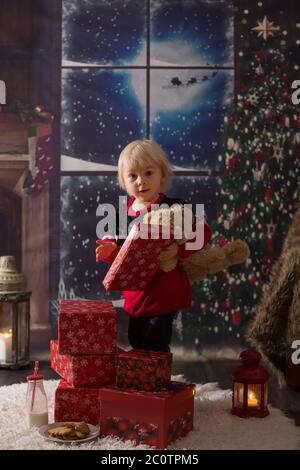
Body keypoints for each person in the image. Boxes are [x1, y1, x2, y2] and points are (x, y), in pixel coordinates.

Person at [96, 140, 212, 352]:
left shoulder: (175, 208)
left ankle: (158, 379)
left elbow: (202, 231)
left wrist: (179, 249)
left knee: (156, 342)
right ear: (123, 180)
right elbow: (113, 243)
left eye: (148, 173)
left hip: (164, 291)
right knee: (136, 339)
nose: (141, 181)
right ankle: (144, 379)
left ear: (163, 175)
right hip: (136, 293)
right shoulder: (122, 216)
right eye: (133, 176)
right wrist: (109, 250)